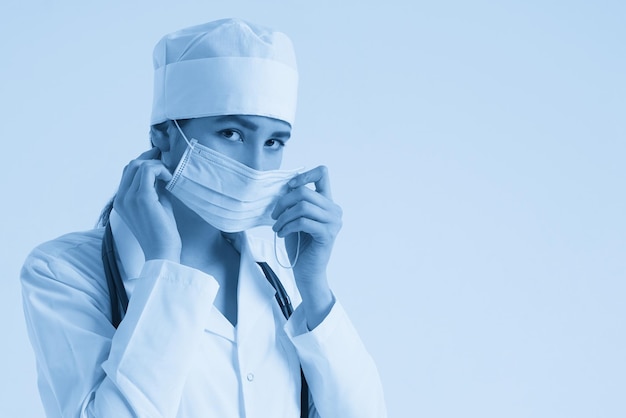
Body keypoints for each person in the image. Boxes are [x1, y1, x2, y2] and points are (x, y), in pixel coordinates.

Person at [21, 18, 387, 418]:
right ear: (164, 133)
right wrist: (164, 262)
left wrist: (314, 287)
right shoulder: (62, 272)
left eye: (273, 142)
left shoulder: (281, 269)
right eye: (231, 133)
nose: (255, 165)